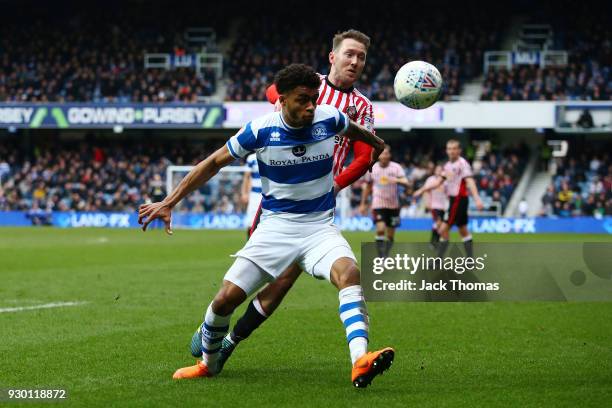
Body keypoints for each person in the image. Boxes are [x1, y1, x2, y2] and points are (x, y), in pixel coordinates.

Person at [138, 64, 393, 388]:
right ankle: (208, 364)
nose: (311, 106)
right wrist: (170, 201)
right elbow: (213, 163)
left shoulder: (329, 118)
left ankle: (360, 360)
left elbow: (354, 130)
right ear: (282, 99)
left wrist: (376, 143)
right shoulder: (259, 130)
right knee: (224, 300)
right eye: (303, 99)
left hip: (319, 227)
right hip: (275, 229)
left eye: (314, 98)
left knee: (350, 274)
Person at [211, 29, 379, 370]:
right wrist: (280, 99)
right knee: (256, 281)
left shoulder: (361, 107)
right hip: (278, 201)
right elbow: (274, 89)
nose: (355, 62)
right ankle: (217, 334)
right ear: (332, 57)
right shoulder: (309, 84)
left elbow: (364, 156)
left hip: (317, 205)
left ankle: (228, 341)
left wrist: (336, 185)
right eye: (349, 54)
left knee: (286, 278)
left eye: (361, 57)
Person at [414, 140, 483, 257]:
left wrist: (477, 198)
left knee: (442, 230)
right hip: (454, 200)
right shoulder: (447, 166)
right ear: (446, 150)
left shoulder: (462, 164)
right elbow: (437, 183)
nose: (451, 151)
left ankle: (438, 260)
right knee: (463, 230)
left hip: (458, 200)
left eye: (454, 148)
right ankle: (470, 260)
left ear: (459, 150)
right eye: (449, 148)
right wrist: (422, 190)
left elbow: (469, 181)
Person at [359, 145, 410, 257]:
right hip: (378, 204)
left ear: (389, 155)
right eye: (382, 153)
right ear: (378, 155)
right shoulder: (372, 168)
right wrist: (363, 203)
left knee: (390, 236)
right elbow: (367, 187)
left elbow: (406, 182)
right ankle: (381, 256)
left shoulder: (396, 168)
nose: (384, 156)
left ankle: (385, 254)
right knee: (381, 229)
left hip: (393, 205)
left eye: (386, 153)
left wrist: (396, 180)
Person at [418, 165, 447, 248]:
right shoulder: (430, 180)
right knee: (438, 223)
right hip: (434, 205)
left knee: (439, 225)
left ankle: (434, 242)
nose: (439, 171)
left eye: (440, 170)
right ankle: (433, 242)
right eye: (437, 169)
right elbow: (425, 191)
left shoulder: (445, 181)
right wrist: (427, 203)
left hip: (443, 206)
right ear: (435, 171)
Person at [240, 153, 262, 238]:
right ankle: (249, 244)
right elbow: (246, 177)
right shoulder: (251, 158)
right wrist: (244, 193)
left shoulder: (271, 155)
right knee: (250, 223)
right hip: (255, 195)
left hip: (268, 194)